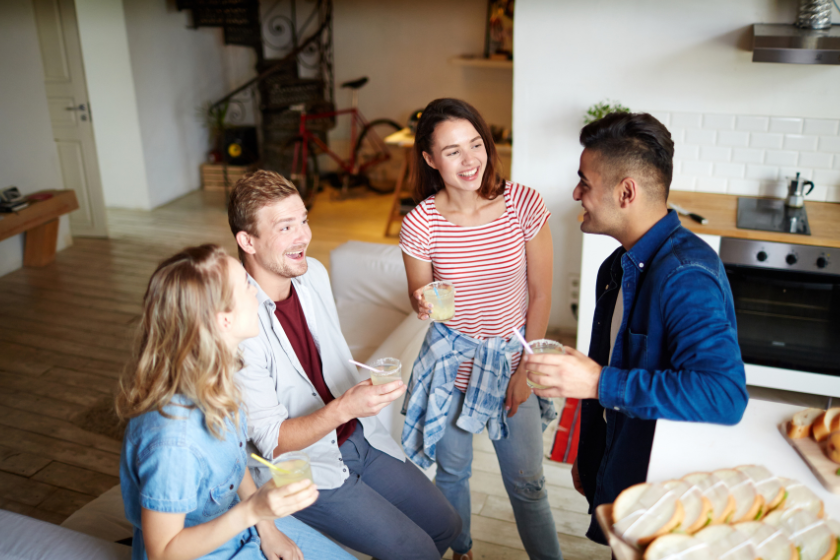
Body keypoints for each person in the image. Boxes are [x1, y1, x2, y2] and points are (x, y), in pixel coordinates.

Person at [523, 112, 749, 544]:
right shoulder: (616, 267)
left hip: (665, 490)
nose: (576, 193)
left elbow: (725, 395)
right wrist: (590, 459)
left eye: (584, 182)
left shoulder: (685, 275)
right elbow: (608, 373)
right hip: (622, 466)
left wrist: (597, 381)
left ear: (626, 192)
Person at [228, 170, 461, 560]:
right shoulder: (238, 323)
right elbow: (273, 441)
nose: (303, 235)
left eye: (303, 219)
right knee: (418, 550)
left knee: (446, 527)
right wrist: (345, 408)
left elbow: (326, 365)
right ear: (247, 241)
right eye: (286, 227)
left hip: (359, 437)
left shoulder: (314, 274)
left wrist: (356, 404)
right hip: (300, 468)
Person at [399, 98, 562, 560]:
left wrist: (525, 372)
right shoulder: (420, 223)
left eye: (476, 144)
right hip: (451, 364)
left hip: (513, 360)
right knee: (452, 473)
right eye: (452, 151)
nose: (470, 160)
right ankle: (462, 551)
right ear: (430, 159)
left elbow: (541, 294)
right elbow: (421, 297)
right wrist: (424, 301)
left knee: (528, 485)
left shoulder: (523, 204)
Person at [117, 244, 354, 560]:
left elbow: (232, 456)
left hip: (240, 524)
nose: (256, 292)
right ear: (223, 320)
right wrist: (252, 512)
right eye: (246, 285)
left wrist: (266, 528)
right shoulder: (174, 442)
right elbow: (163, 552)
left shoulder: (216, 378)